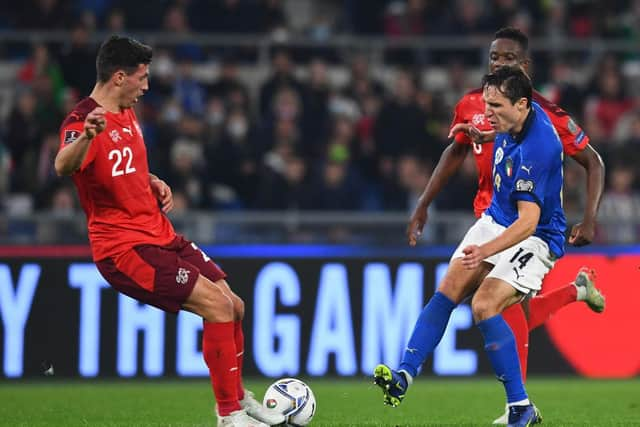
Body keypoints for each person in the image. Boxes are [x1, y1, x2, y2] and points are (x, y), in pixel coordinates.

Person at [54, 35, 285, 427]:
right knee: (217, 307)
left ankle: (238, 397)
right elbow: (63, 165)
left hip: (160, 234)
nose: (147, 86)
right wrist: (89, 137)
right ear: (120, 76)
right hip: (125, 250)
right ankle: (228, 415)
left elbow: (117, 165)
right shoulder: (84, 119)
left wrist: (149, 178)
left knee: (236, 305)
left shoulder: (126, 111)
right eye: (142, 78)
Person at [407, 27, 606, 424]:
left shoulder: (548, 118)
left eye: (508, 59)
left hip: (525, 229)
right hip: (490, 218)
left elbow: (593, 162)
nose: (498, 64)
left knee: (496, 309)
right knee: (502, 311)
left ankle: (517, 406)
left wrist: (589, 217)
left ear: (525, 67)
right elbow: (457, 151)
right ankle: (574, 295)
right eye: (494, 58)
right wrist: (424, 203)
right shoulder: (475, 103)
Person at [375, 66, 572, 427]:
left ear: (522, 104)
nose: (488, 112)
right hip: (497, 218)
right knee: (448, 288)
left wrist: (486, 251)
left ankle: (520, 406)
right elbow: (503, 135)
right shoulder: (514, 121)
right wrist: (483, 132)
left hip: (537, 235)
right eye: (486, 104)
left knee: (484, 304)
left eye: (495, 106)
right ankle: (404, 374)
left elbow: (528, 221)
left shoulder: (540, 147)